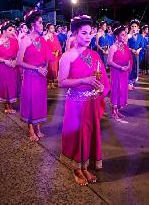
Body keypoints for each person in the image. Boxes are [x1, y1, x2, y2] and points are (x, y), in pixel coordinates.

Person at [58, 15, 110, 186]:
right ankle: (77, 169)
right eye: (83, 33)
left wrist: (101, 87)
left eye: (90, 33)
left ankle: (85, 166)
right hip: (75, 104)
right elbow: (61, 82)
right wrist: (83, 80)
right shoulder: (68, 56)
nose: (88, 37)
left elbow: (101, 78)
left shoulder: (95, 55)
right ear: (74, 33)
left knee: (88, 134)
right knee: (77, 135)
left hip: (91, 104)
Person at [17, 10, 53, 141]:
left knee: (39, 100)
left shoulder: (42, 40)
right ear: (33, 24)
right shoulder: (25, 40)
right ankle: (31, 128)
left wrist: (45, 67)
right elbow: (19, 61)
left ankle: (38, 127)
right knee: (31, 100)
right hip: (31, 76)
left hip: (41, 76)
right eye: (40, 23)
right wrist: (37, 68)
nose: (43, 25)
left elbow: (48, 56)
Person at [0, 22, 20, 114]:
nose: (12, 32)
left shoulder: (15, 41)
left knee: (13, 84)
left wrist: (15, 61)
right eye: (10, 30)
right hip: (3, 66)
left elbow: (19, 53)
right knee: (5, 85)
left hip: (13, 66)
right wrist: (5, 61)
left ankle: (11, 105)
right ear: (4, 31)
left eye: (13, 30)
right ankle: (6, 106)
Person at [107, 24, 132, 121]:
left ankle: (117, 110)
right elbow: (109, 62)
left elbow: (129, 58)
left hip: (124, 72)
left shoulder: (125, 47)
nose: (124, 36)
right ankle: (113, 111)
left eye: (125, 34)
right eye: (122, 35)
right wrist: (120, 67)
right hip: (116, 72)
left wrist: (128, 67)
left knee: (122, 90)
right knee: (116, 89)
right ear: (116, 36)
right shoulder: (113, 47)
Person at [45, 23, 61, 89]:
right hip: (49, 55)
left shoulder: (55, 36)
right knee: (49, 68)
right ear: (48, 29)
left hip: (55, 55)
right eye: (51, 28)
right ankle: (48, 83)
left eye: (53, 28)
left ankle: (52, 83)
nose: (53, 29)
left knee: (54, 69)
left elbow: (58, 45)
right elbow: (44, 47)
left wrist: (58, 51)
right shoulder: (45, 37)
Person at [128, 19, 143, 90]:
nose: (134, 28)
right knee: (130, 68)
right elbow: (126, 45)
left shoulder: (140, 36)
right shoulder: (128, 36)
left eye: (135, 26)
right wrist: (131, 49)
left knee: (136, 68)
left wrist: (138, 50)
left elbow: (142, 45)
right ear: (130, 27)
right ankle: (129, 83)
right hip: (130, 54)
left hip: (137, 54)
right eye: (132, 26)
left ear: (137, 27)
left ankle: (132, 81)